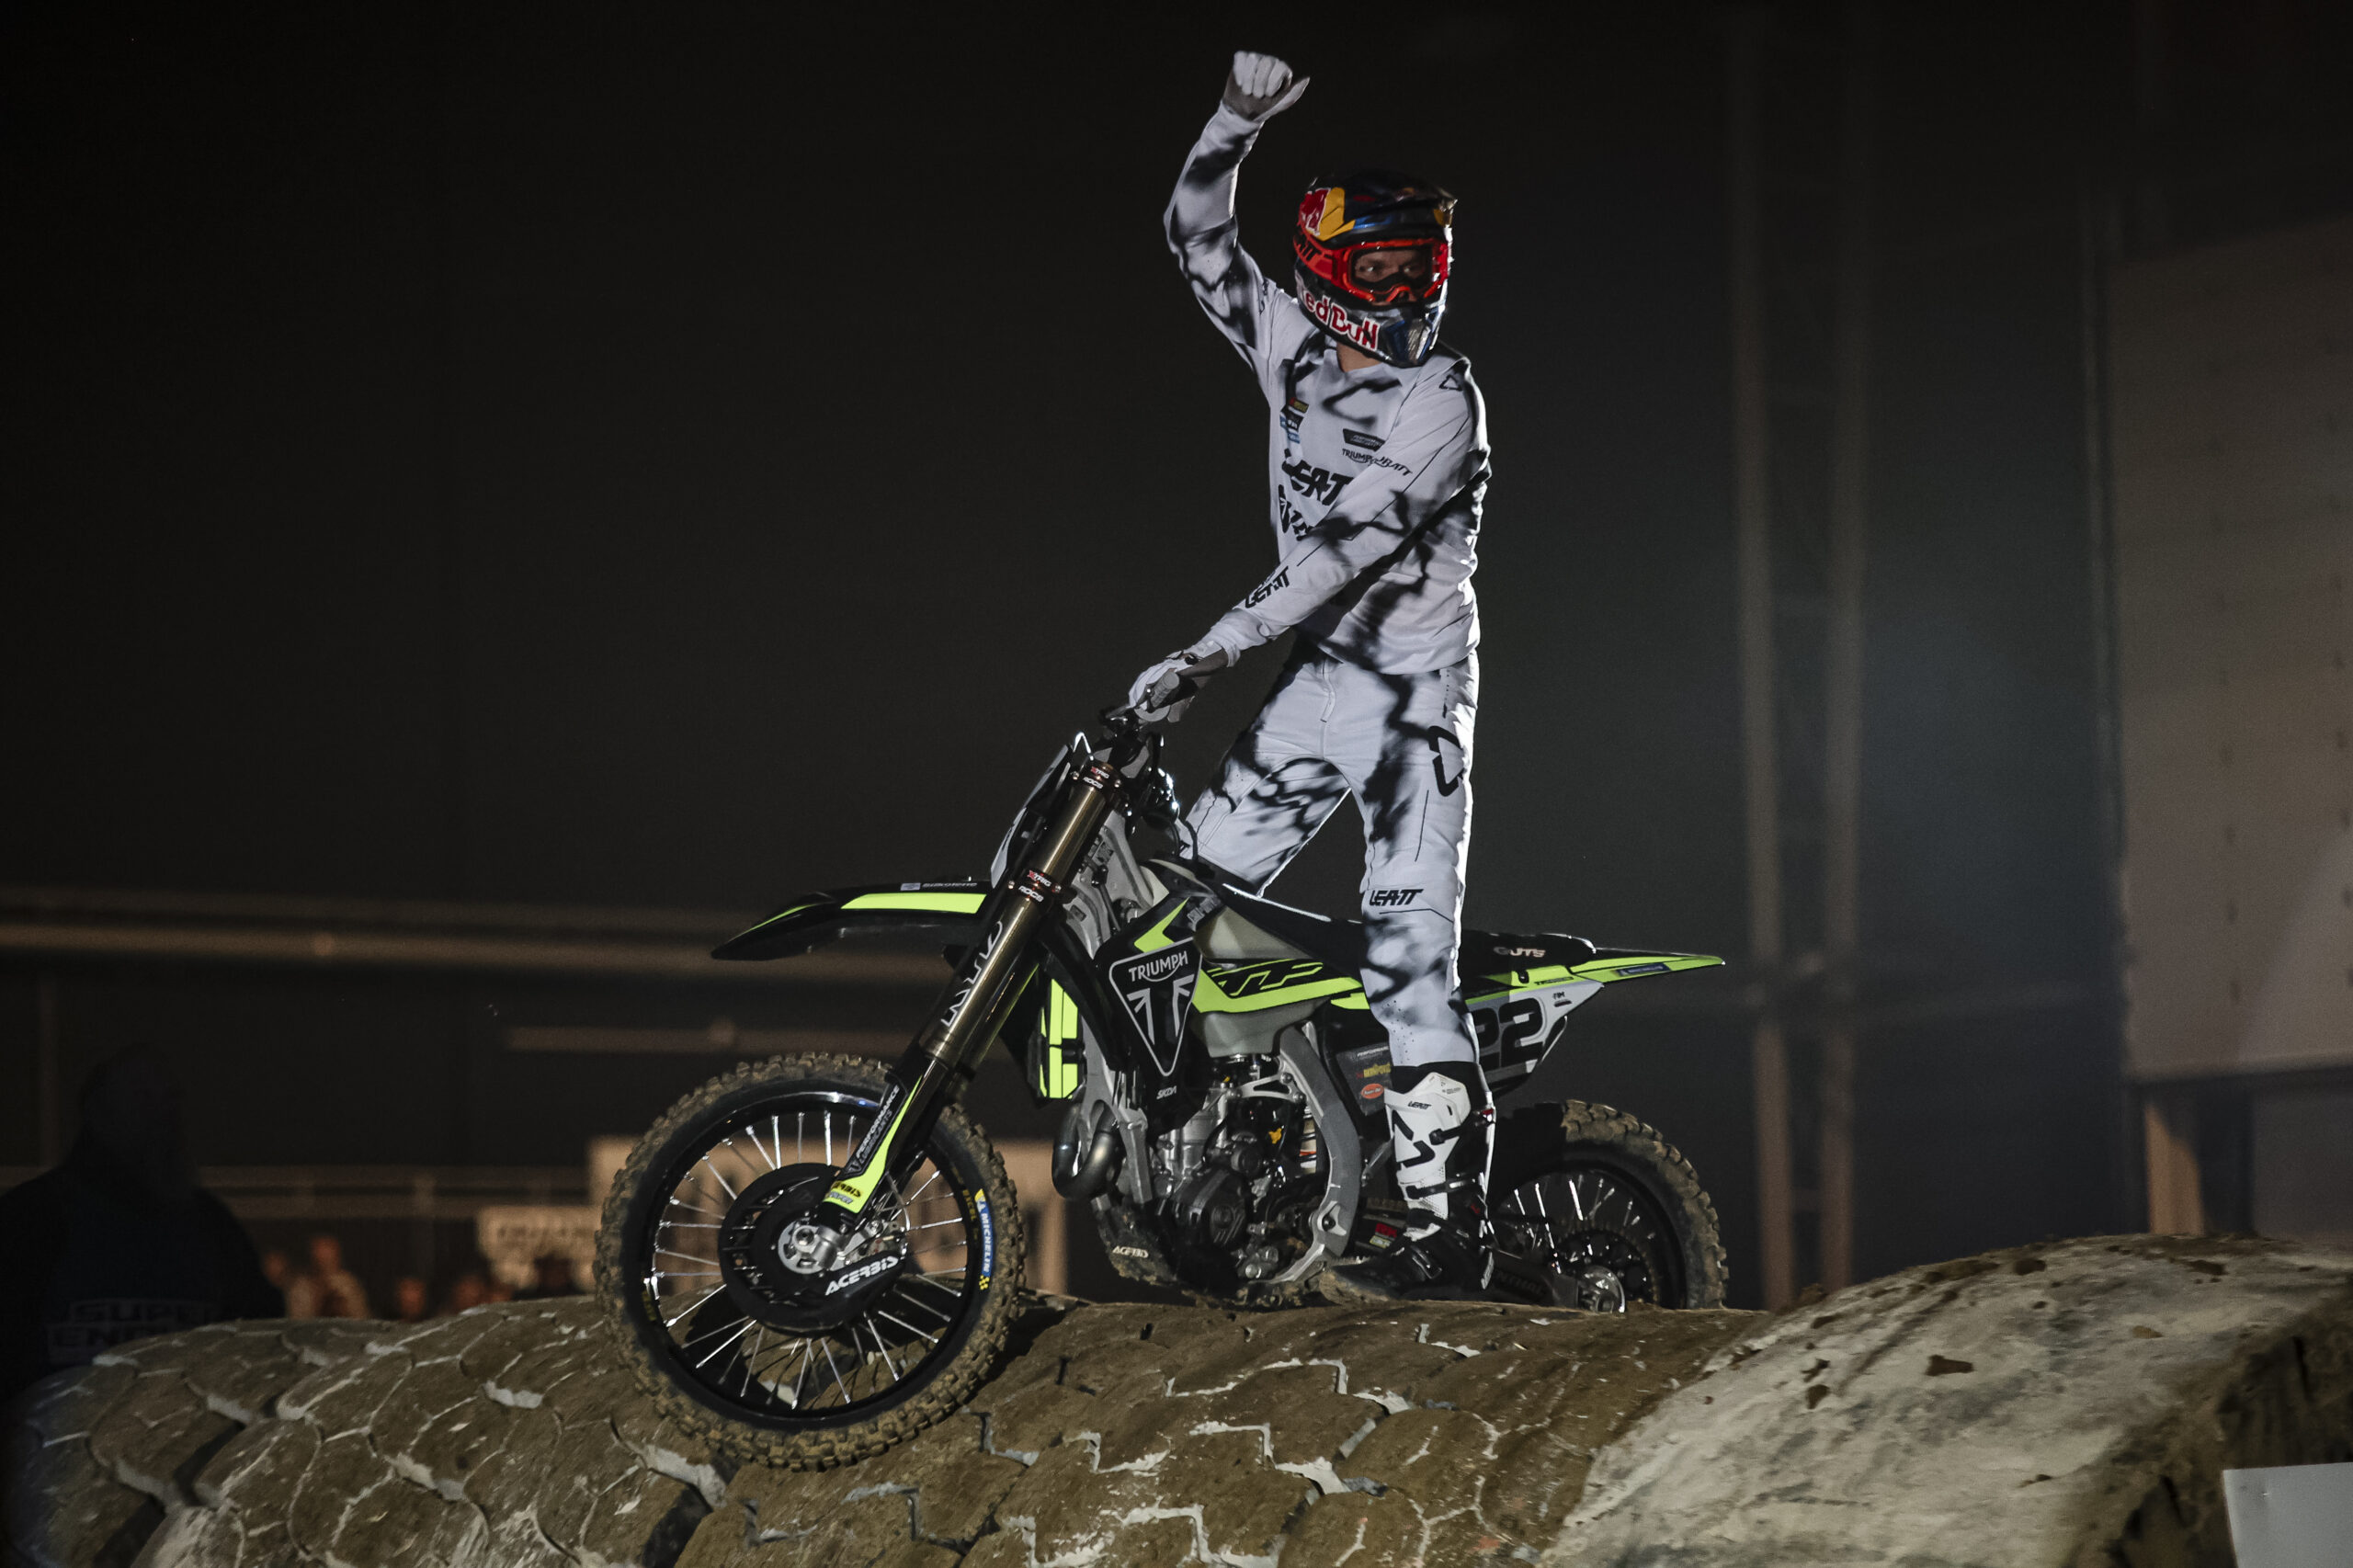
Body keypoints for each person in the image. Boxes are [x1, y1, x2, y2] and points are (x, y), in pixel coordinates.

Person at [1130, 51, 1496, 1294]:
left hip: (1411, 705)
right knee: (1177, 916)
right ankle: (1232, 1170)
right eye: (1384, 269)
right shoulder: (1288, 344)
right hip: (1318, 684)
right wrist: (1233, 120)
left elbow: (1338, 554)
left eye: (1422, 266)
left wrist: (1209, 649)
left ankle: (1449, 1230)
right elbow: (1194, 236)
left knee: (1407, 961)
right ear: (1330, 271)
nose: (1410, 289)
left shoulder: (1442, 399)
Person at [0, 1050, 281, 1400]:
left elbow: (259, 1338)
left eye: (170, 1099)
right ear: (100, 1113)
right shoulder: (33, 1216)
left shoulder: (210, 1226)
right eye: (143, 1097)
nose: (163, 1113)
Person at [283, 1233, 369, 1319]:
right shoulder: (300, 1286)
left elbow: (361, 1317)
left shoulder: (349, 1284)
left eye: (327, 1249)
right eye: (318, 1250)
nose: (322, 1256)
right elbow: (296, 1319)